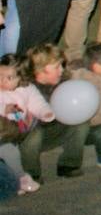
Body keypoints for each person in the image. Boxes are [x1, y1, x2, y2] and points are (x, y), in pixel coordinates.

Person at [16, 43, 89, 181]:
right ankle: (31, 174)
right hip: (32, 135)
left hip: (53, 130)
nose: (61, 70)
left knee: (81, 122)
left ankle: (69, 164)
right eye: (57, 67)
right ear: (40, 70)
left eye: (62, 65)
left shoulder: (64, 83)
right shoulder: (26, 88)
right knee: (33, 135)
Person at [0, 52, 50, 194]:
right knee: (10, 152)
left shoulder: (27, 89)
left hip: (19, 129)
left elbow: (37, 103)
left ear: (21, 78)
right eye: (0, 75)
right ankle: (19, 178)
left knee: (31, 139)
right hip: (3, 131)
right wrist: (4, 108)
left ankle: (26, 175)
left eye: (8, 78)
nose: (2, 80)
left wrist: (45, 112)